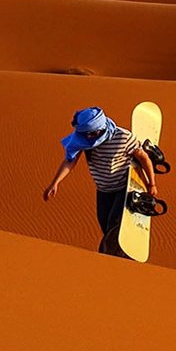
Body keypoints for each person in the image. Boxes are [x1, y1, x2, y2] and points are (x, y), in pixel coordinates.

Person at [42, 106, 158, 257]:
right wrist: (55, 183)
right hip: (103, 190)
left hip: (123, 189)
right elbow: (70, 161)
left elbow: (143, 158)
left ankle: (108, 262)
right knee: (105, 226)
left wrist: (152, 183)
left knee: (114, 226)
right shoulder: (83, 140)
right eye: (86, 134)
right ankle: (117, 256)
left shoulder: (123, 137)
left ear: (100, 129)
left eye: (91, 134)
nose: (88, 137)